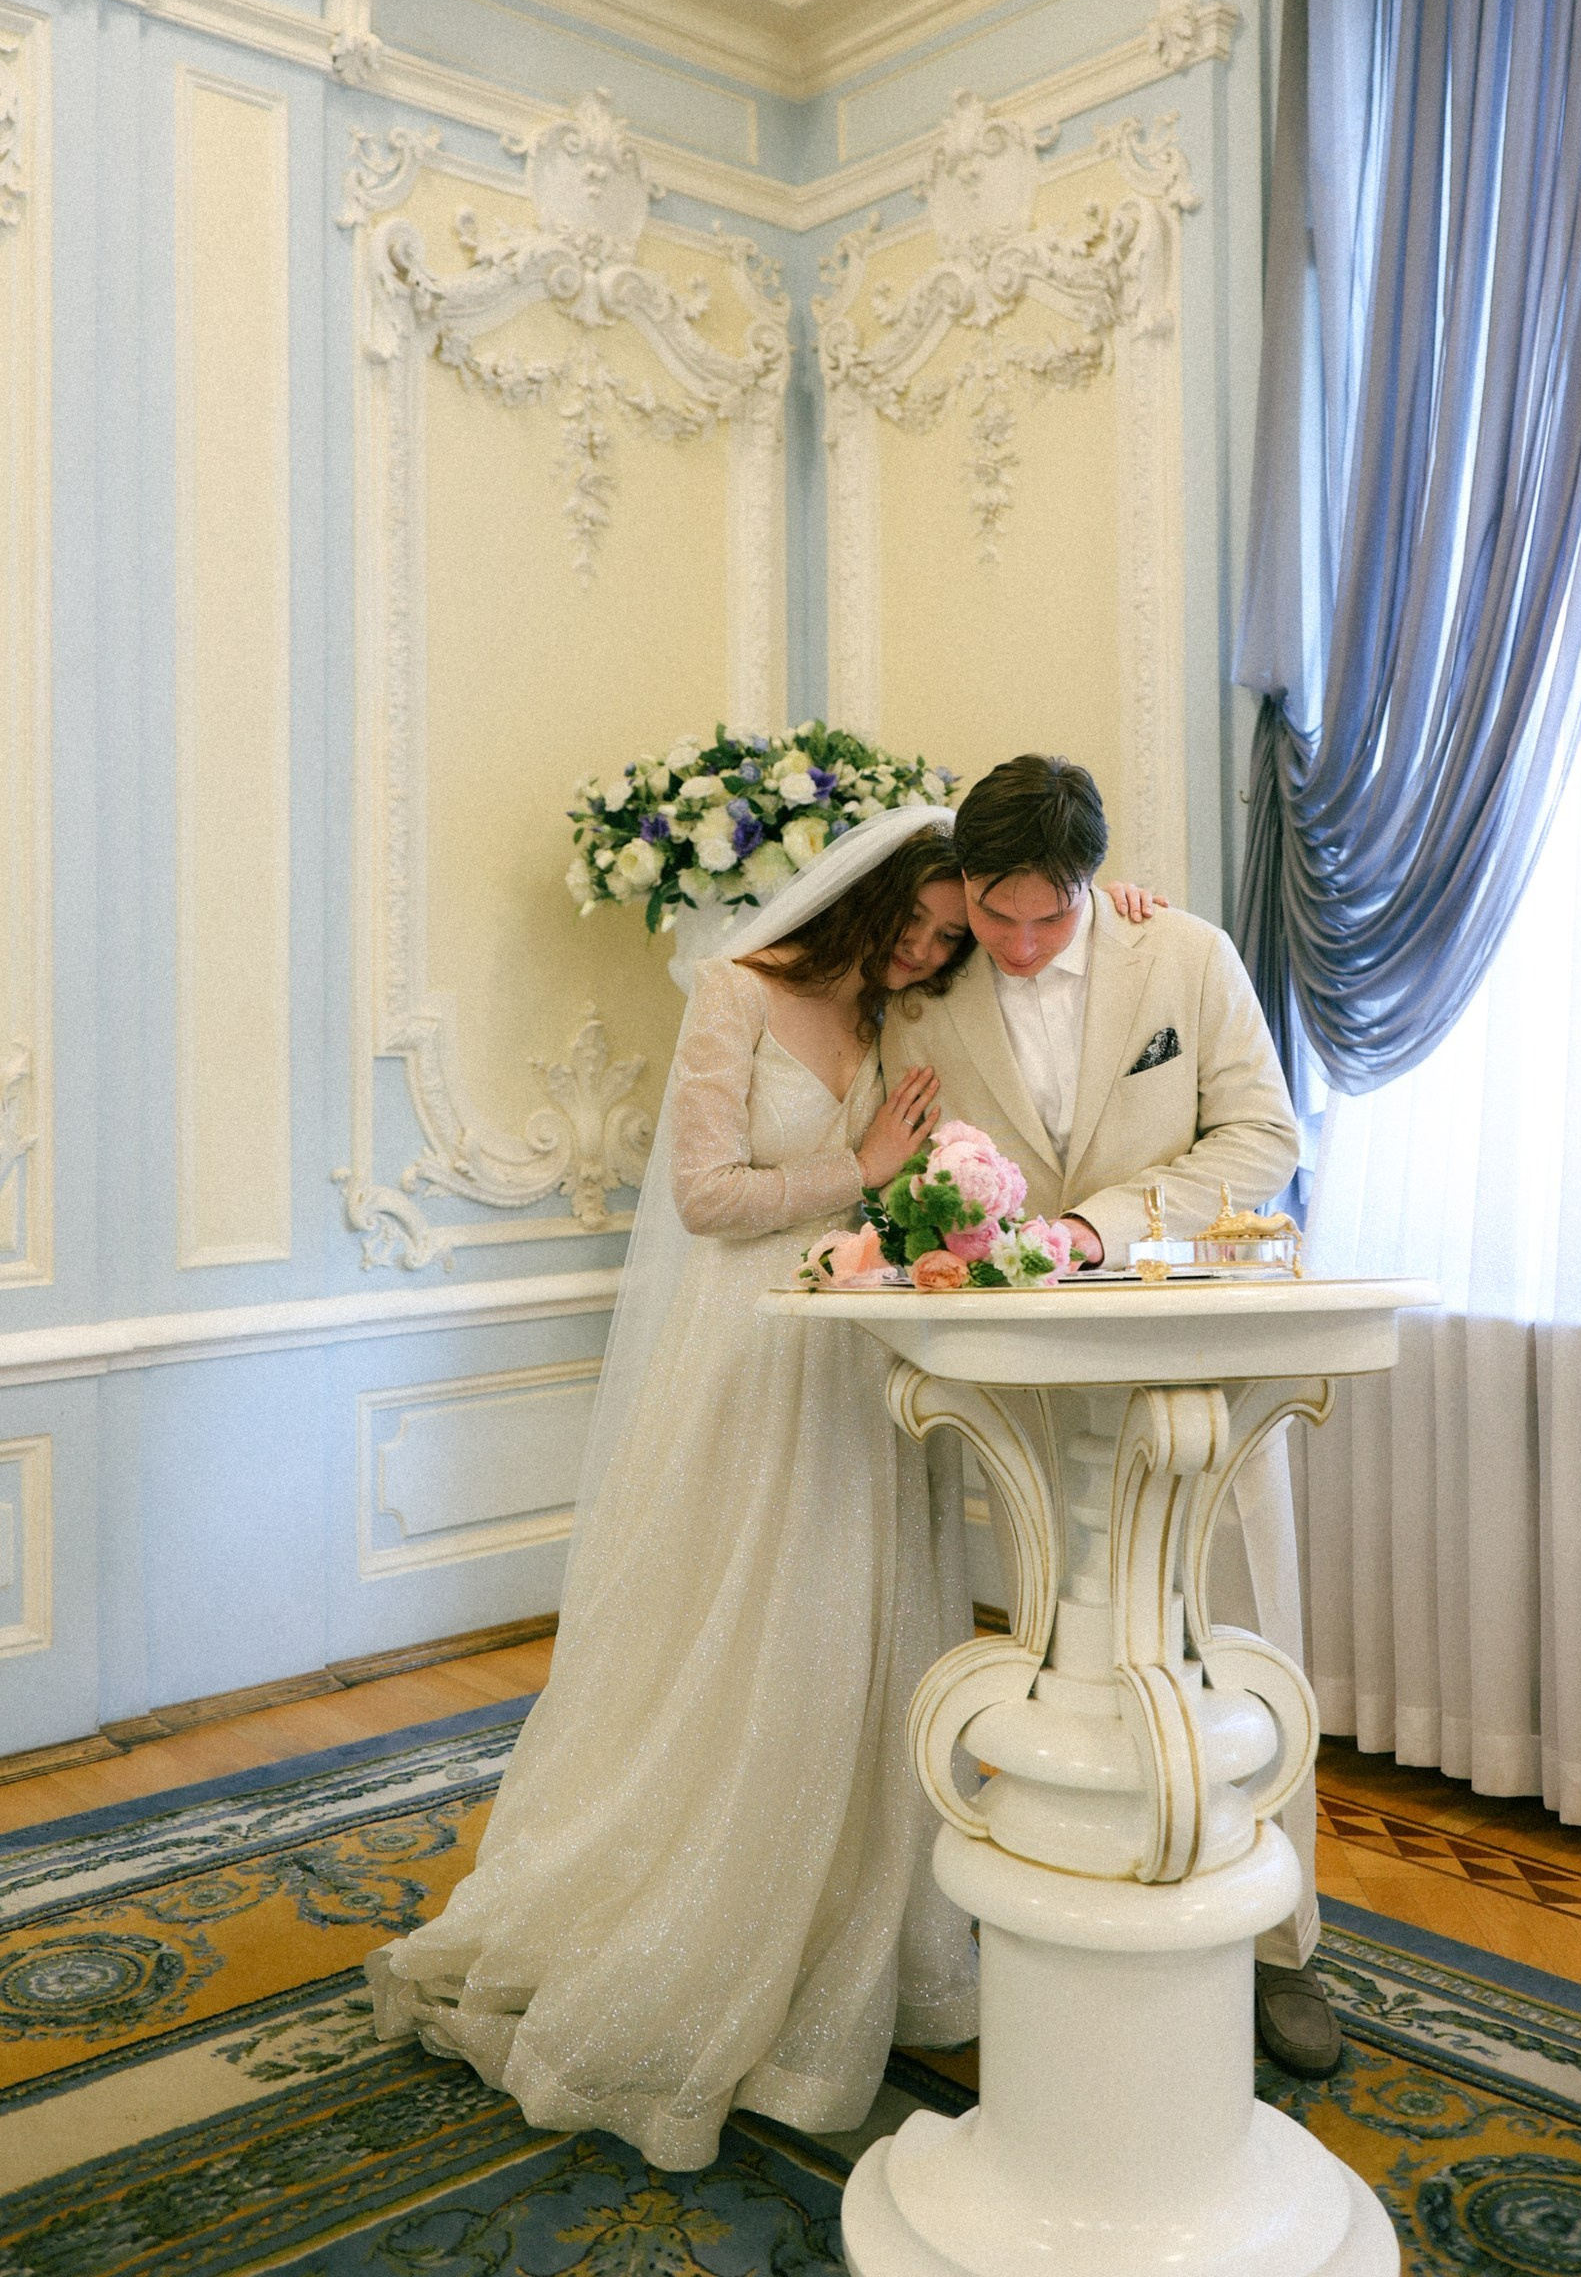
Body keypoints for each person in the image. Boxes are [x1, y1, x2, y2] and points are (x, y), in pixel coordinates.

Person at [368, 804, 1160, 2169]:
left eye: (945, 939)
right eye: (911, 929)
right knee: (751, 1637)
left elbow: (1047, 966)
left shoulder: (903, 1021)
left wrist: (1121, 913)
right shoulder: (736, 994)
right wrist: (849, 1171)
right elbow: (700, 1197)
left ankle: (855, 1939)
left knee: (861, 1645)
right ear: (857, 903)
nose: (924, 956)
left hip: (860, 1358)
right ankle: (703, 1923)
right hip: (747, 1359)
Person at [880, 754, 1339, 2078]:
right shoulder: (931, 994)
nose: (1020, 946)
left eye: (1047, 916)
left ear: (1090, 881)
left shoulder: (1181, 955)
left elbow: (1261, 1138)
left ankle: (1283, 1944)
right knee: (1055, 1650)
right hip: (1028, 1378)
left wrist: (1101, 1226)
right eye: (996, 914)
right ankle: (1064, 1914)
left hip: (1197, 1352)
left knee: (1241, 1635)